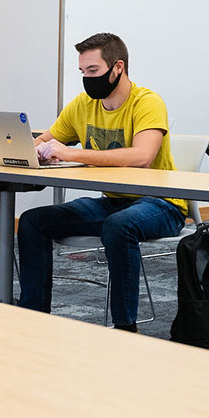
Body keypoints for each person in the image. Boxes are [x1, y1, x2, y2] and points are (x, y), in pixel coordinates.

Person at [18, 32, 186, 331]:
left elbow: (142, 156)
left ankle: (124, 328)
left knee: (120, 225)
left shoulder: (147, 102)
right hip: (114, 203)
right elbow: (45, 139)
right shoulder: (83, 105)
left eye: (93, 71)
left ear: (117, 67)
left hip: (162, 203)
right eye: (82, 72)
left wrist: (71, 153)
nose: (86, 78)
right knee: (32, 221)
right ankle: (33, 316)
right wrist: (35, 151)